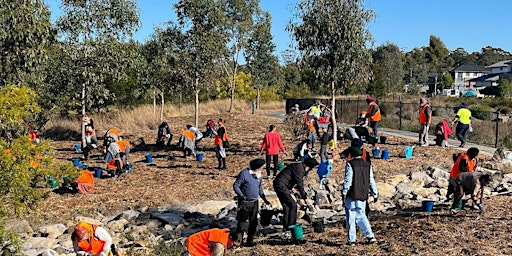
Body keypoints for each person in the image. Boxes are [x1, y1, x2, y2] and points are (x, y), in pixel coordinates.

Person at [273, 157, 319, 238]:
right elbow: (300, 184)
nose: (312, 170)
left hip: (281, 184)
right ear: (309, 166)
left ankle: (286, 227)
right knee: (292, 205)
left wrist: (291, 188)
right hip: (281, 185)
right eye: (312, 168)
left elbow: (290, 178)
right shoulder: (300, 169)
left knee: (286, 206)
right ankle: (291, 226)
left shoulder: (299, 166)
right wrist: (305, 197)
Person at [342, 146, 378, 245]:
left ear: (351, 155)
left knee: (351, 218)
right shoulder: (367, 165)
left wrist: (344, 192)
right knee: (362, 216)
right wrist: (375, 194)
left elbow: (348, 180)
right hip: (363, 195)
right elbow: (371, 180)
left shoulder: (350, 164)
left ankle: (352, 240)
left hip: (352, 195)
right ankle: (370, 236)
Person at [233, 159, 271, 247]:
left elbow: (259, 188)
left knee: (253, 222)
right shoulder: (244, 174)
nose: (263, 169)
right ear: (257, 167)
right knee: (241, 222)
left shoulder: (259, 175)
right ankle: (239, 241)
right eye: (262, 167)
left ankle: (250, 240)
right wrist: (241, 195)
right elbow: (236, 185)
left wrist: (264, 198)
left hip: (255, 202)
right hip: (245, 202)